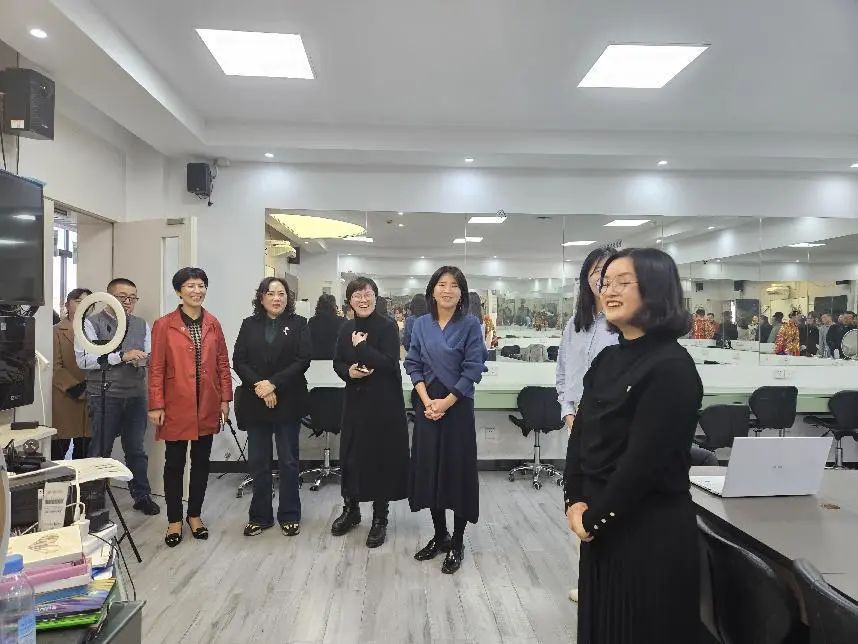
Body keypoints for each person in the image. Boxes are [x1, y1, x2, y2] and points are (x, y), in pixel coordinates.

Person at [564, 247, 702, 643]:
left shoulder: (672, 367)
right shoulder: (607, 360)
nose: (609, 291)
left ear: (656, 290)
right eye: (606, 282)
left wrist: (594, 519)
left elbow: (643, 464)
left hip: (648, 532)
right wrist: (574, 500)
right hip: (601, 530)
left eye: (623, 282)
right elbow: (581, 438)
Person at [405, 266, 488, 575]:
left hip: (458, 405)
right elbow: (412, 363)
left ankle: (458, 542)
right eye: (442, 284)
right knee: (431, 471)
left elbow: (474, 368)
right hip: (427, 404)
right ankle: (440, 535)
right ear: (433, 290)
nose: (448, 290)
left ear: (461, 293)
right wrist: (427, 401)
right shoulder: (420, 324)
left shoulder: (470, 324)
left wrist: (446, 402)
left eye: (454, 285)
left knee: (457, 472)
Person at [148, 267, 232, 547]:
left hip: (207, 403)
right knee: (174, 464)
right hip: (175, 404)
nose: (197, 291)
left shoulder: (213, 323)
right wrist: (156, 404)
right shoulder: (164, 324)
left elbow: (222, 363)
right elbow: (156, 367)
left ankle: (194, 515)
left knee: (201, 463)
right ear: (179, 291)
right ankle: (174, 519)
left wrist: (225, 399)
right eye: (190, 286)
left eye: (201, 286)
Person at [555, 246, 618, 603]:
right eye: (596, 272)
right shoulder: (574, 324)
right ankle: (591, 582)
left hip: (612, 428)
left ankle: (611, 584)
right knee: (581, 505)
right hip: (578, 425)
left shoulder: (622, 323)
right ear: (586, 278)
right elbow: (564, 372)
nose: (602, 278)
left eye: (608, 270)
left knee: (610, 505)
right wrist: (568, 411)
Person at [331, 277, 410, 548]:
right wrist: (349, 372)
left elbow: (389, 363)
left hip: (383, 404)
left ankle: (380, 518)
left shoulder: (387, 326)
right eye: (357, 295)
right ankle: (351, 509)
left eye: (367, 295)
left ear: (376, 298)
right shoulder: (345, 328)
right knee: (351, 456)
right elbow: (337, 362)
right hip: (355, 402)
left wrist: (362, 347)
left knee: (380, 459)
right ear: (349, 300)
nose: (362, 300)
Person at [75, 278, 159, 516]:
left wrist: (143, 359)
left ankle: (141, 495)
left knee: (136, 449)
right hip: (104, 395)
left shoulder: (141, 324)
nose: (128, 302)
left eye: (132, 297)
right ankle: (93, 501)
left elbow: (149, 355)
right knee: (101, 449)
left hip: (135, 395)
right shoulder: (90, 323)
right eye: (122, 297)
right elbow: (84, 360)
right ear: (108, 298)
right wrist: (121, 356)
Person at [234, 277, 311, 537]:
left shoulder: (299, 324)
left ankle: (290, 514)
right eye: (271, 293)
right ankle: (260, 516)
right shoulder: (249, 324)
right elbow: (239, 360)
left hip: (288, 399)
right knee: (259, 462)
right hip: (256, 400)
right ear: (261, 297)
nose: (277, 298)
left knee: (288, 461)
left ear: (288, 298)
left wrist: (273, 384)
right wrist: (261, 385)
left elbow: (302, 360)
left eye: (281, 293)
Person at [52, 288, 92, 460]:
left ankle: (83, 479)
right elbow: (55, 367)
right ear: (67, 305)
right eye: (78, 301)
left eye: (88, 302)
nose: (84, 305)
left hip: (92, 397)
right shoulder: (56, 331)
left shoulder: (95, 330)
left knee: (86, 451)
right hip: (66, 397)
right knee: (60, 450)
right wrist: (76, 388)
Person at [308, 293, 345, 360]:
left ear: (318, 305)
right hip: (335, 359)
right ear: (334, 306)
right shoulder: (342, 321)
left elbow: (307, 341)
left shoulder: (312, 321)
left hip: (315, 359)